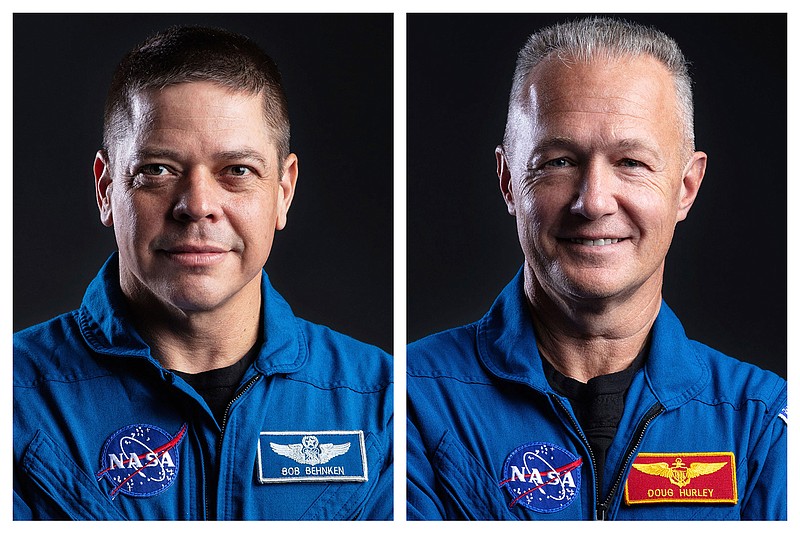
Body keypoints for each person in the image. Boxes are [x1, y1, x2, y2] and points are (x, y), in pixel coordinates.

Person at [407, 16, 786, 521]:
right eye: (559, 161)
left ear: (686, 188)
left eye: (631, 162)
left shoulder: (759, 422)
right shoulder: (413, 400)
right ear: (507, 182)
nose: (593, 201)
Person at [13, 25, 393, 520]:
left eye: (237, 170)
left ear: (283, 191)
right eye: (158, 169)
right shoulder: (16, 401)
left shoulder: (384, 405)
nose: (196, 206)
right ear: (106, 189)